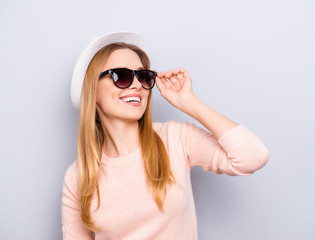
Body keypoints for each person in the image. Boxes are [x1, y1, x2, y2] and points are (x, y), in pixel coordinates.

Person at [61, 31, 270, 240]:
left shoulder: (175, 139)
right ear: (92, 92)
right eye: (121, 76)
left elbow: (252, 156)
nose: (137, 85)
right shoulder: (78, 176)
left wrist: (189, 102)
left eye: (143, 76)